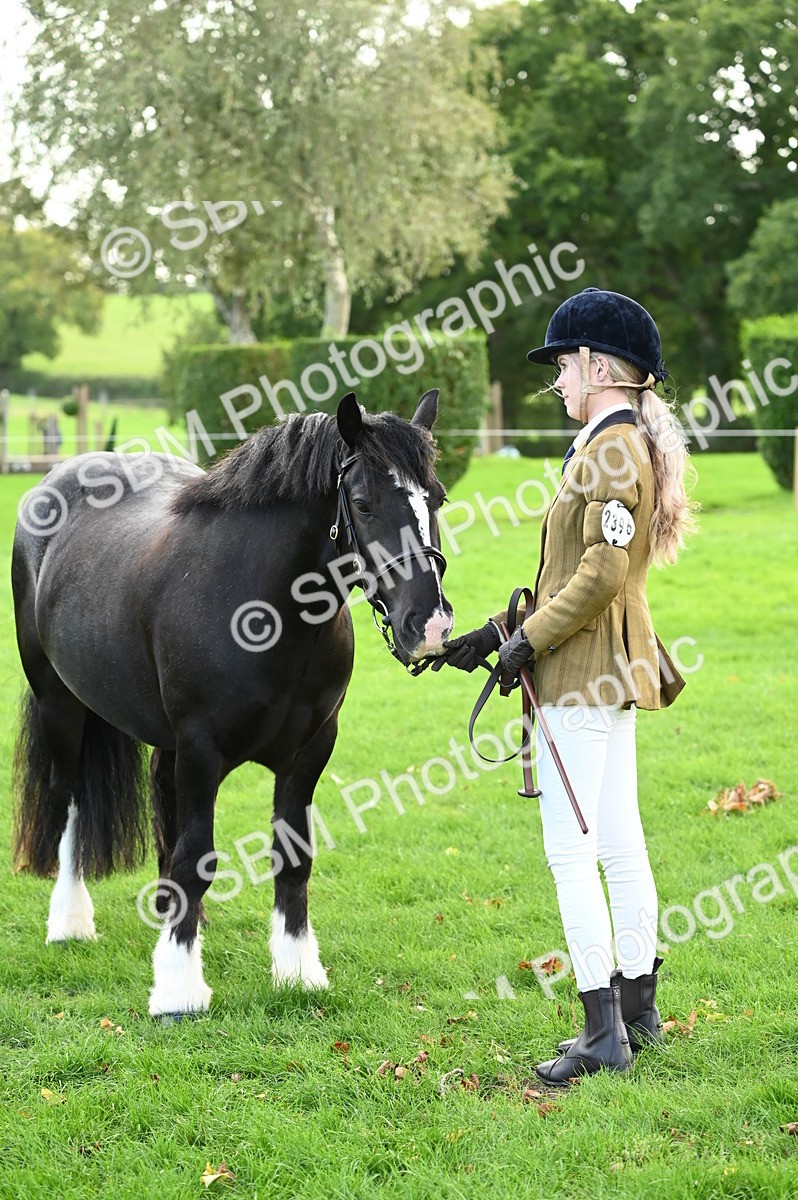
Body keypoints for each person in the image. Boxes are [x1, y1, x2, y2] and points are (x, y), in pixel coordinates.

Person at [434, 286, 697, 1086]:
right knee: (617, 841)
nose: (556, 381)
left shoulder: (611, 449)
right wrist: (496, 631)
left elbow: (602, 573)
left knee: (572, 851)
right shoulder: (608, 444)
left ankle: (601, 1034)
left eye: (563, 365)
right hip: (607, 665)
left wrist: (528, 642)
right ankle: (639, 1011)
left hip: (584, 672)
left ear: (597, 365)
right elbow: (569, 571)